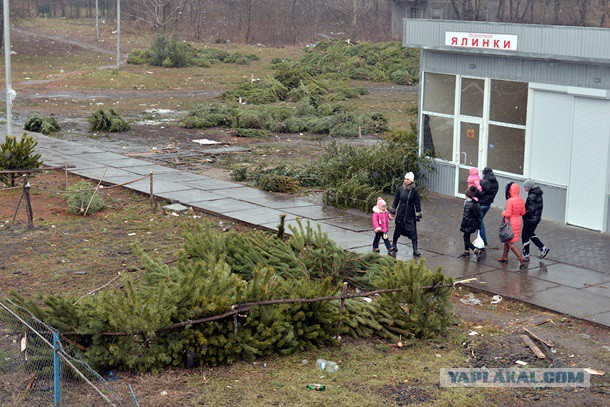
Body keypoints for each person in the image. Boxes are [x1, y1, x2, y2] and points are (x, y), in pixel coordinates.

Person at [390, 172, 422, 257]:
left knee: (413, 232)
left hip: (410, 215)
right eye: (405, 179)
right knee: (397, 229)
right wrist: (393, 210)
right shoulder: (400, 189)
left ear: (411, 180)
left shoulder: (414, 191)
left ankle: (415, 249)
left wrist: (418, 214)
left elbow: (417, 203)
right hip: (400, 213)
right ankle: (394, 244)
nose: (406, 181)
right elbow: (396, 200)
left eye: (408, 179)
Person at [498, 182, 527, 269]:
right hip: (518, 221)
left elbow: (508, 214)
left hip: (511, 222)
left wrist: (503, 212)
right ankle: (504, 256)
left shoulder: (510, 201)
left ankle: (520, 257)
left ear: (510, 190)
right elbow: (523, 212)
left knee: (510, 243)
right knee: (508, 239)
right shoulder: (521, 200)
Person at [522, 179, 550, 260]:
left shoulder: (532, 196)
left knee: (525, 235)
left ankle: (528, 253)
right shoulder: (537, 193)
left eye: (525, 187)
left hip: (530, 219)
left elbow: (530, 209)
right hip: (535, 218)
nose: (524, 188)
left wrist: (523, 213)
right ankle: (529, 252)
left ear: (529, 187)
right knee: (529, 234)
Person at [475, 167, 499, 247]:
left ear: (484, 173)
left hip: (481, 204)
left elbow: (478, 193)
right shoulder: (496, 182)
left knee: (478, 222)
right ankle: (482, 240)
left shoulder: (483, 182)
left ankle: (482, 240)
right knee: (480, 221)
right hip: (488, 205)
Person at [459, 186, 482, 260]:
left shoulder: (468, 204)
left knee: (466, 238)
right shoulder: (476, 203)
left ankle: (475, 250)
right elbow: (479, 216)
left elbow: (465, 217)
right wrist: (478, 225)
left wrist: (462, 226)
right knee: (467, 236)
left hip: (468, 224)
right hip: (473, 224)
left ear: (468, 196)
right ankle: (466, 252)